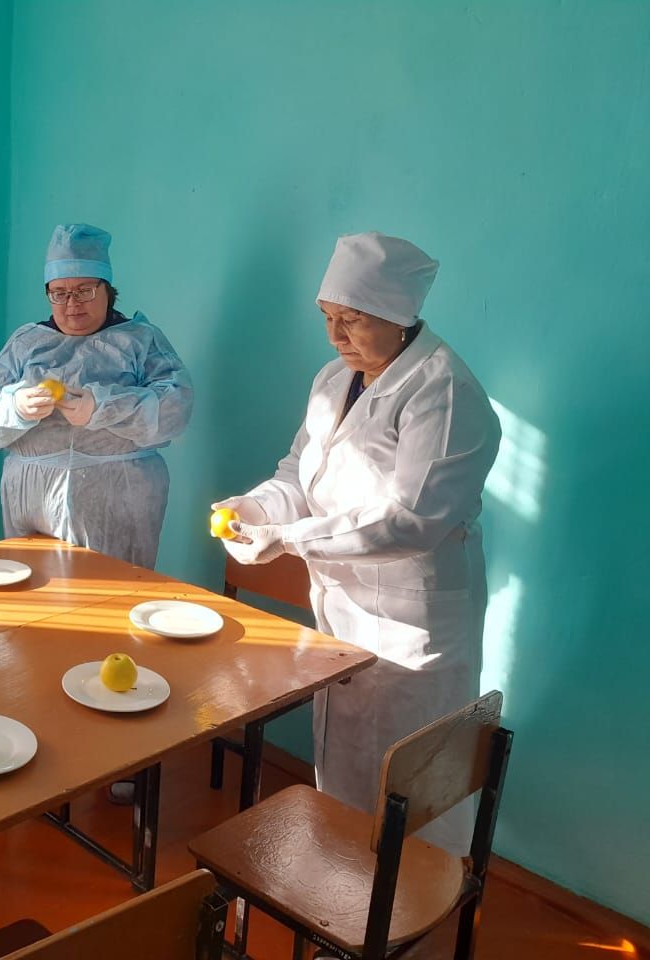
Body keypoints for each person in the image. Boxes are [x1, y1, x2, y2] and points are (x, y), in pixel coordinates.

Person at [214, 232, 500, 854]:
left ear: (399, 318)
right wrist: (255, 508)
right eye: (327, 317)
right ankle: (340, 891)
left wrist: (288, 539)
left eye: (352, 319)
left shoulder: (444, 392)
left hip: (412, 624)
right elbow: (298, 474)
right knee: (342, 770)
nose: (335, 336)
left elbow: (410, 519)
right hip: (342, 610)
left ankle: (408, 904)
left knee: (410, 789)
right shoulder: (334, 380)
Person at [0, 223, 193, 570]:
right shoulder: (27, 343)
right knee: (32, 591)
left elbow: (175, 405)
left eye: (84, 291)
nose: (72, 304)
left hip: (119, 502)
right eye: (59, 293)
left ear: (107, 290)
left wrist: (104, 408)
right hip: (32, 505)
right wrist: (14, 406)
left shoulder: (140, 340)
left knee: (115, 592)